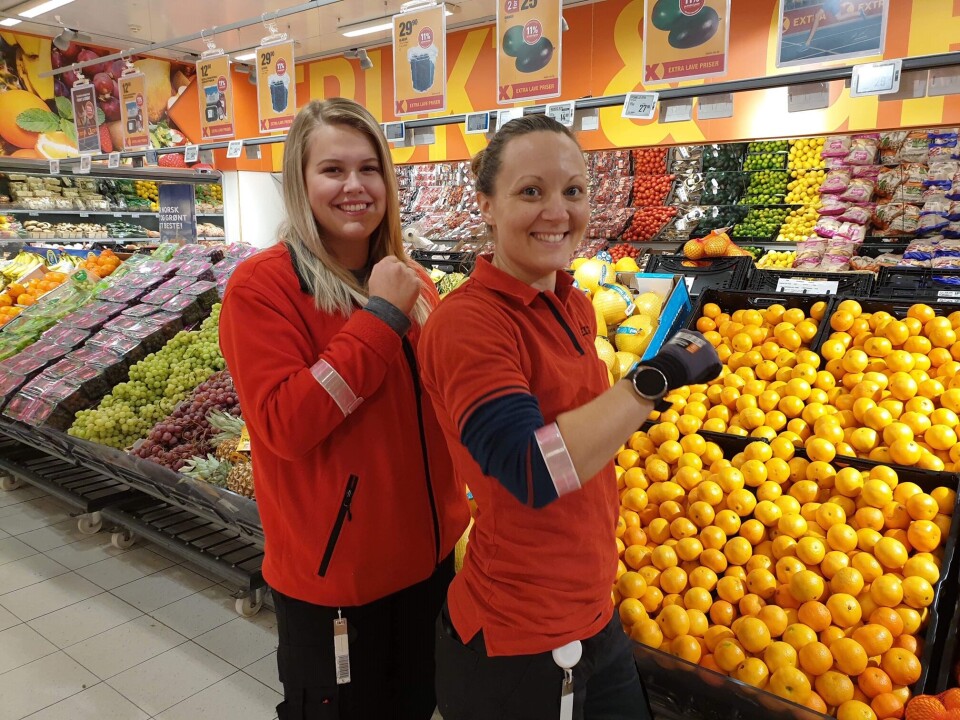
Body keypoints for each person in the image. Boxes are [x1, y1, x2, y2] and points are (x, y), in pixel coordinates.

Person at [418, 114, 722, 719]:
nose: (557, 211)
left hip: (590, 613)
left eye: (573, 191)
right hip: (519, 639)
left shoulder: (574, 302)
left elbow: (584, 436)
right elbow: (529, 469)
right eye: (531, 191)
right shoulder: (469, 324)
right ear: (486, 204)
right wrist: (653, 379)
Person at [219, 98, 470, 720]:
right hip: (339, 583)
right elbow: (285, 424)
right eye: (333, 170)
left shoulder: (414, 282)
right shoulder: (263, 289)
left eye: (370, 168)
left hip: (430, 565)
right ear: (300, 184)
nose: (355, 186)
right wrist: (380, 319)